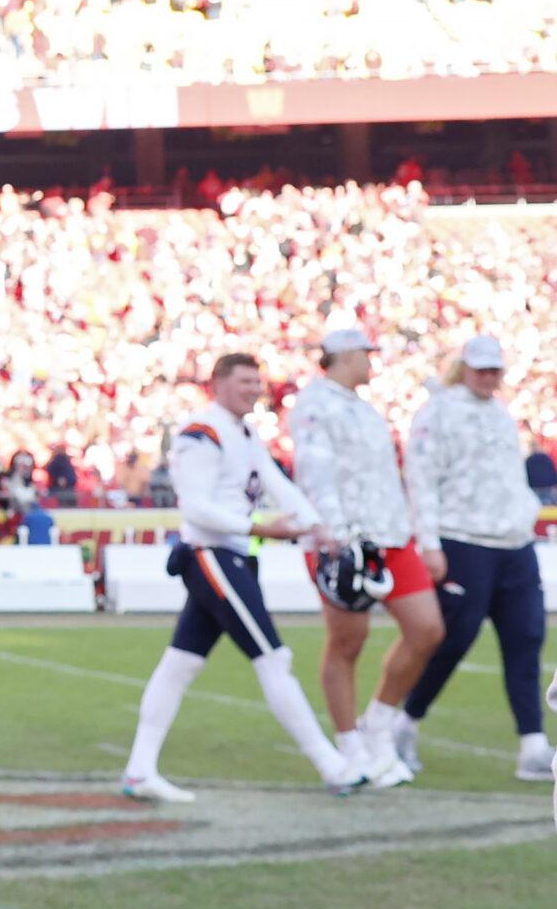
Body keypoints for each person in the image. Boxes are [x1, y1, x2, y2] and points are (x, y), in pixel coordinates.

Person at [119, 353, 361, 802]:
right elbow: (197, 508)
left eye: (257, 381)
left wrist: (318, 527)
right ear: (219, 382)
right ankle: (332, 765)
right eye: (244, 381)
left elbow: (277, 484)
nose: (254, 389)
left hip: (232, 555)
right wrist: (262, 529)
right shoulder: (201, 433)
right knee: (273, 658)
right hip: (211, 555)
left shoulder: (243, 432)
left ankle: (139, 769)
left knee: (180, 664)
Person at [284, 326, 437, 788]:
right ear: (345, 355)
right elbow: (314, 471)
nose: (371, 361)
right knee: (348, 640)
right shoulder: (315, 403)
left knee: (427, 629)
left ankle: (378, 724)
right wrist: (335, 533)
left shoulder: (364, 407)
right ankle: (351, 746)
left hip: (390, 534)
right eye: (365, 354)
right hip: (346, 539)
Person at [397, 335, 550, 780]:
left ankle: (533, 745)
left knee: (526, 638)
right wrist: (429, 542)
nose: (488, 377)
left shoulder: (501, 414)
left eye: (494, 370)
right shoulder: (438, 412)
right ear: (463, 368)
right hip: (463, 540)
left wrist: (523, 513)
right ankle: (404, 722)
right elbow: (422, 478)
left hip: (514, 542)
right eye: (481, 369)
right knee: (453, 640)